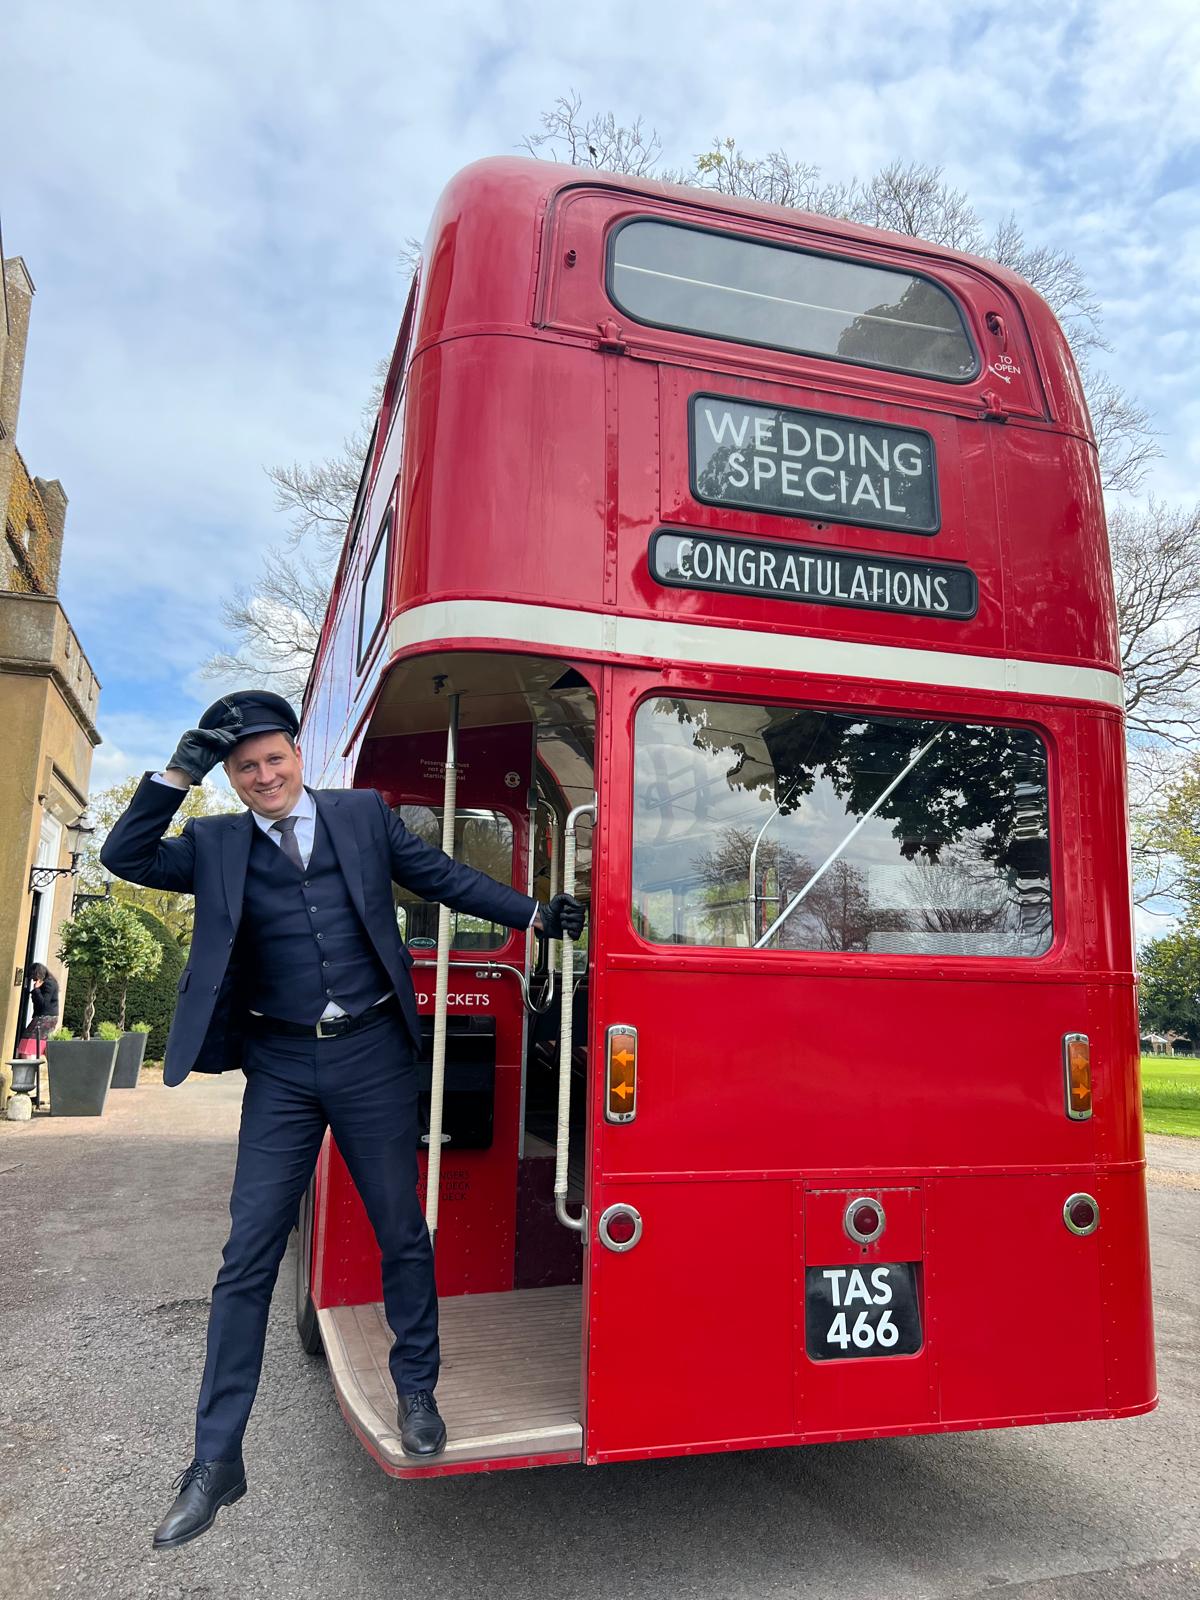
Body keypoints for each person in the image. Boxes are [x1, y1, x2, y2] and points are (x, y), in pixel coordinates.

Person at [100, 690, 585, 1551]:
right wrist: (179, 770)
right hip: (280, 1064)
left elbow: (439, 873)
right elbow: (125, 854)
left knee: (401, 1229)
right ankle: (216, 1460)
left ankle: (419, 1392)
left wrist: (535, 913)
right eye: (243, 768)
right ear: (231, 776)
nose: (262, 777)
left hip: (370, 1055)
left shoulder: (361, 818)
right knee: (247, 1252)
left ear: (297, 753)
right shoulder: (213, 844)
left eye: (273, 760)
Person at [17, 963, 59, 1056]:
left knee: (27, 1044)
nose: (33, 980)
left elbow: (44, 1004)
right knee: (39, 1044)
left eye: (34, 976)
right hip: (46, 1017)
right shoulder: (49, 982)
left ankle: (28, 1069)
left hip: (45, 1018)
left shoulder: (48, 984)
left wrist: (36, 989)